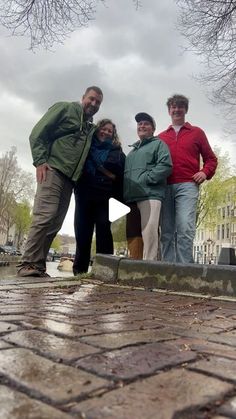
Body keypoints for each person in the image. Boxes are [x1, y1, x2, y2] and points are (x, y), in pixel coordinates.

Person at [17, 86, 103, 277]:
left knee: (55, 223)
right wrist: (40, 161)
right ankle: (26, 263)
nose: (94, 103)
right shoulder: (64, 108)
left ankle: (38, 266)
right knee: (44, 216)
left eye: (98, 102)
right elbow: (38, 132)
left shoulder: (90, 128)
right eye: (91, 99)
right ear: (83, 97)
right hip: (53, 169)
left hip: (70, 179)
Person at [158, 94, 218, 264]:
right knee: (167, 230)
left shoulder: (197, 133)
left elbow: (211, 159)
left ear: (185, 110)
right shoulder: (161, 137)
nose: (177, 109)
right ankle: (168, 268)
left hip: (188, 185)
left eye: (180, 106)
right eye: (173, 107)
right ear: (169, 110)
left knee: (185, 226)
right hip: (165, 186)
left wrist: (205, 172)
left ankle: (185, 269)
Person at [73, 119, 126, 275]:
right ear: (97, 130)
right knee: (82, 232)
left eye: (110, 131)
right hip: (83, 193)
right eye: (103, 129)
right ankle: (79, 271)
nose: (106, 132)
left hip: (105, 196)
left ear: (113, 134)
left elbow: (120, 176)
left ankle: (105, 271)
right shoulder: (86, 147)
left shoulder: (117, 152)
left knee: (103, 232)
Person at [123, 112, 172, 260]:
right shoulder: (132, 151)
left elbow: (166, 165)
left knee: (149, 232)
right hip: (131, 197)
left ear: (152, 129)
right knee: (133, 233)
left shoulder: (159, 144)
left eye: (146, 123)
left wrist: (146, 178)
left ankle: (149, 267)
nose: (142, 126)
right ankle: (135, 266)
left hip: (150, 194)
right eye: (139, 124)